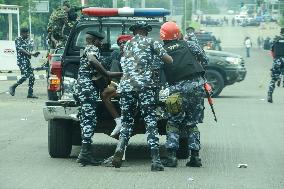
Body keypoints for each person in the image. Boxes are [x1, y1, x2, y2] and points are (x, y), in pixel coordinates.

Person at [111, 21, 173, 171]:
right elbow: (169, 60)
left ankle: (120, 148)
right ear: (146, 31)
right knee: (150, 121)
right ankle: (155, 160)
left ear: (134, 31)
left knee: (126, 122)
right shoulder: (152, 42)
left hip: (126, 87)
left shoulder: (126, 45)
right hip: (145, 87)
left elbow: (124, 62)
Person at [160, 21, 208, 168]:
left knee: (174, 122)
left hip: (177, 90)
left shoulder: (161, 50)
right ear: (178, 33)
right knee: (192, 123)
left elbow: (157, 71)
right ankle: (195, 157)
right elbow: (205, 60)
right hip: (197, 87)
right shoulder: (190, 45)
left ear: (163, 35)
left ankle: (172, 158)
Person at [76, 31, 123, 166]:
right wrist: (107, 73)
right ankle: (85, 155)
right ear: (93, 40)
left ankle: (84, 154)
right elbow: (92, 59)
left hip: (83, 88)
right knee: (89, 120)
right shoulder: (92, 48)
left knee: (86, 119)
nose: (101, 43)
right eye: (99, 41)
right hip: (87, 89)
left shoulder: (87, 48)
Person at [101, 35, 133, 137]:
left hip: (135, 87)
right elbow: (107, 65)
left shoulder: (138, 55)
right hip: (120, 85)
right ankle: (118, 122)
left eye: (125, 43)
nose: (122, 45)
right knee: (105, 94)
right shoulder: (117, 55)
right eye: (120, 43)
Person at [9, 28, 40, 98]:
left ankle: (30, 93)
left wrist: (33, 54)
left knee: (32, 76)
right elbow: (21, 49)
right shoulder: (18, 39)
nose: (28, 35)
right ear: (22, 33)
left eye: (28, 33)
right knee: (25, 75)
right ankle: (13, 86)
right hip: (21, 62)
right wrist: (29, 54)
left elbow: (27, 52)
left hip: (27, 61)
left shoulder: (25, 41)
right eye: (27, 33)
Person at [267, 28, 284, 103]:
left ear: (280, 33)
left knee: (273, 79)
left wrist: (275, 60)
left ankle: (270, 94)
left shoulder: (275, 40)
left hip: (277, 60)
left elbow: (272, 52)